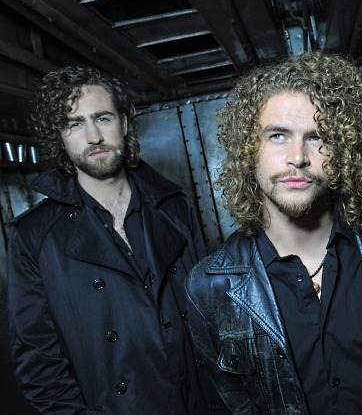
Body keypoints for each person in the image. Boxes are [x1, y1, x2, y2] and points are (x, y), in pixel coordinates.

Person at [185, 50, 362, 414]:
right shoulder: (210, 287)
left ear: (344, 151)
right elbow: (233, 404)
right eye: (278, 136)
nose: (298, 157)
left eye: (318, 137)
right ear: (248, 151)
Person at [7, 65, 225, 414]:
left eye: (102, 118)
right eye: (75, 124)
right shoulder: (34, 235)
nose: (93, 136)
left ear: (123, 123)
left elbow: (211, 316)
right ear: (60, 138)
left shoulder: (173, 207)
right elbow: (39, 364)